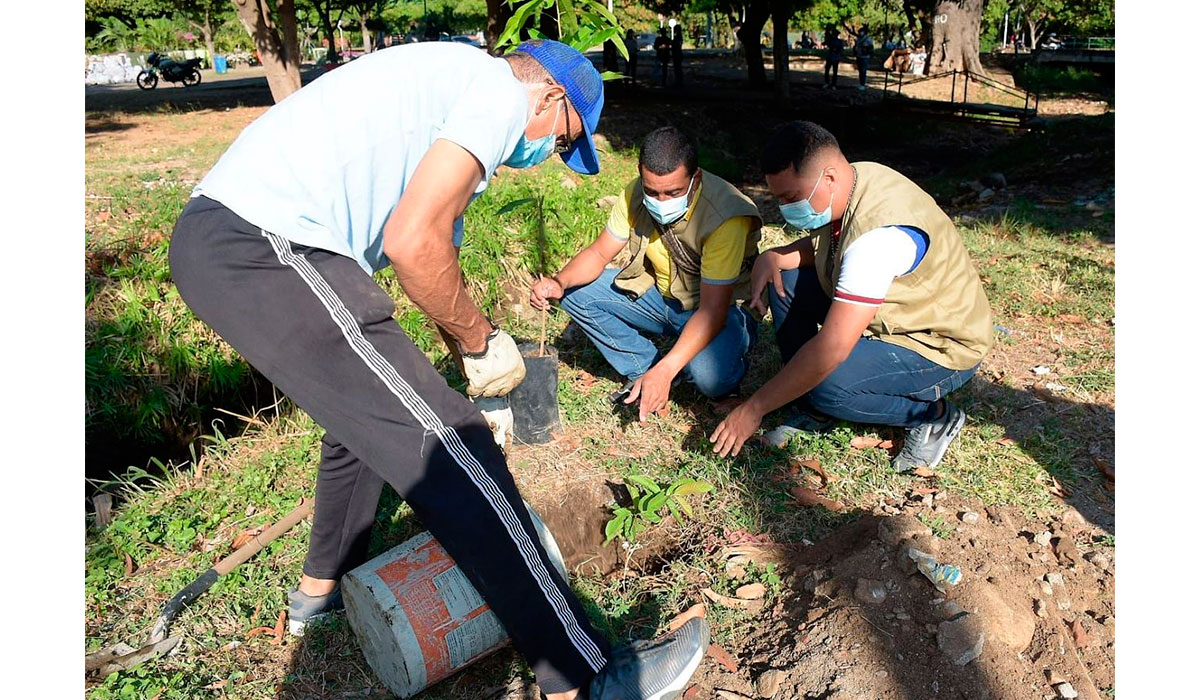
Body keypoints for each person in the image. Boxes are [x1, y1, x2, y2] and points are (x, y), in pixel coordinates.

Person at [169, 39, 709, 700]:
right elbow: (411, 243)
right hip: (264, 243)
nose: (549, 156)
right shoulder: (494, 94)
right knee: (452, 443)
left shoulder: (447, 95)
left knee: (368, 421)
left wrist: (473, 364)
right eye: (564, 141)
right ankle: (588, 677)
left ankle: (320, 591)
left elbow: (432, 269)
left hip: (234, 240)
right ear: (548, 98)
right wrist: (483, 346)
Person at [710, 121, 994, 474]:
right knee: (784, 281)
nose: (784, 209)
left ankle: (932, 416)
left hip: (939, 343)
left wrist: (754, 408)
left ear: (827, 177)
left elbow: (831, 348)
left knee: (827, 383)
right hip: (891, 311)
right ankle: (811, 405)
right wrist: (777, 256)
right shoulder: (857, 177)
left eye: (790, 198)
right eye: (778, 198)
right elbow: (829, 245)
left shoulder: (877, 241)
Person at [529, 127, 763, 421]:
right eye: (652, 191)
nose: (661, 201)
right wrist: (558, 282)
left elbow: (713, 312)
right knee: (576, 293)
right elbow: (600, 253)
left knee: (709, 378)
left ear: (696, 179)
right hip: (663, 298)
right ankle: (645, 368)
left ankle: (696, 365)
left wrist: (667, 368)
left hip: (719, 309)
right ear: (641, 174)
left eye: (673, 192)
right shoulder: (634, 194)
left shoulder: (725, 217)